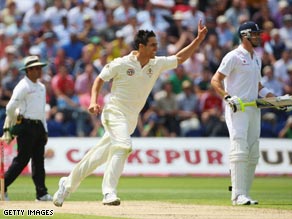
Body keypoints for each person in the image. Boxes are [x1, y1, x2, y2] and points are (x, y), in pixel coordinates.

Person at [53, 20, 208, 207]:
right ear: (141, 46)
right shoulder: (121, 63)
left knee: (97, 156)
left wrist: (198, 40)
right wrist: (94, 101)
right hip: (114, 113)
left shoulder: (156, 63)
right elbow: (99, 80)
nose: (156, 49)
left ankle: (66, 185)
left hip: (131, 119)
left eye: (156, 45)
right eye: (152, 45)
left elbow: (180, 58)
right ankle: (109, 191)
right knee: (124, 146)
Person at [211, 21, 291, 206]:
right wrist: (228, 97)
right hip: (237, 108)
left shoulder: (256, 57)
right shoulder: (233, 56)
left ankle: (244, 194)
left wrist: (276, 101)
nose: (258, 37)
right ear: (245, 35)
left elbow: (258, 86)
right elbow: (216, 80)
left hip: (254, 108)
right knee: (240, 149)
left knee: (253, 152)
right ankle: (237, 196)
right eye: (255, 34)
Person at [1, 56, 52, 201]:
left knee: (38, 161)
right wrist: (14, 120)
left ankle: (41, 193)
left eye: (40, 68)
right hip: (26, 125)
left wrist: (45, 130)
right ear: (28, 71)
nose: (39, 71)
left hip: (39, 126)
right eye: (36, 68)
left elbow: (41, 111)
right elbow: (10, 107)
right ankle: (1, 188)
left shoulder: (41, 87)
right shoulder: (23, 86)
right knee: (21, 161)